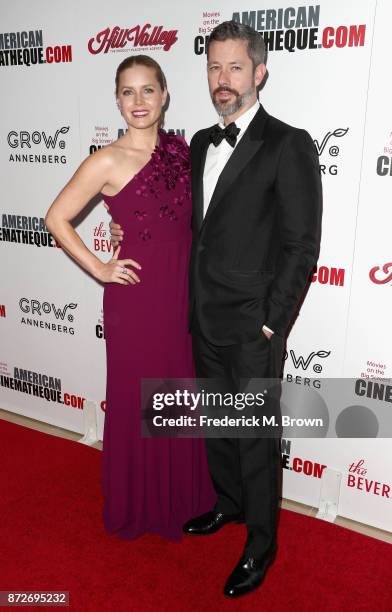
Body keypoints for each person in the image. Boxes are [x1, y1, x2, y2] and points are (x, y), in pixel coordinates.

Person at [109, 21, 322, 598]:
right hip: (199, 317)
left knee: (254, 437)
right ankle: (226, 506)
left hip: (254, 323)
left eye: (234, 67)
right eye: (213, 67)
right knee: (218, 429)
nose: (222, 80)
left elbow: (302, 246)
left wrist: (272, 320)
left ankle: (261, 543)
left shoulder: (288, 143)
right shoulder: (199, 142)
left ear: (259, 72)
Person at [45, 55, 216, 543]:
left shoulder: (183, 152)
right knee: (137, 396)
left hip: (182, 295)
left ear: (165, 96)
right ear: (117, 100)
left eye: (147, 90)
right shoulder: (106, 159)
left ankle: (182, 499)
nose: (138, 101)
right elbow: (56, 217)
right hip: (136, 300)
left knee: (178, 393)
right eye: (127, 92)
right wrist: (100, 267)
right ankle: (138, 504)